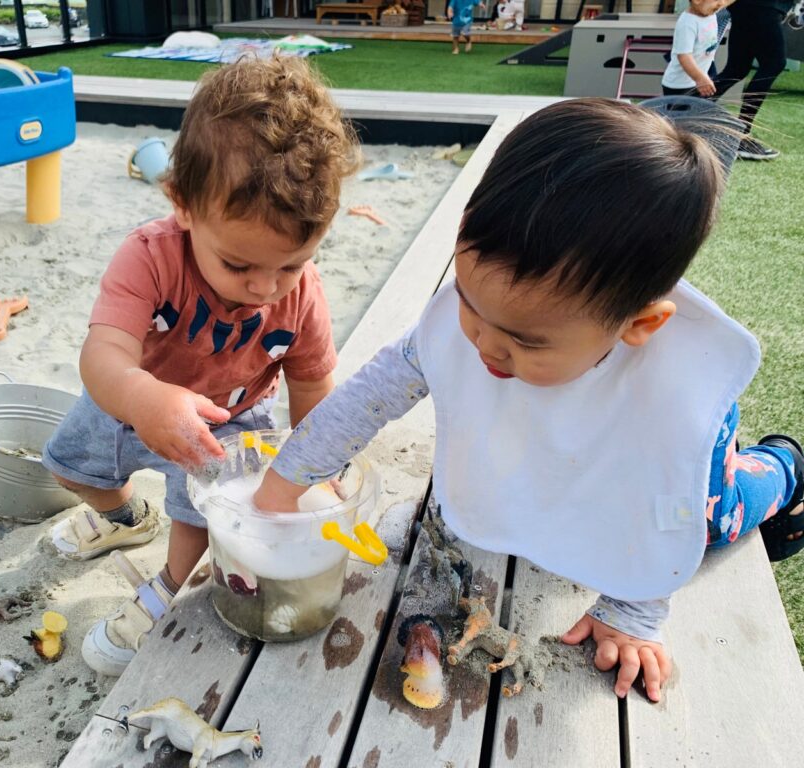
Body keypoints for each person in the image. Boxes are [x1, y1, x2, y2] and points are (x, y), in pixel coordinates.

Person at [254, 99, 804, 703]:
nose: (484, 344)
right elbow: (368, 398)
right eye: (468, 303)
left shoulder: (666, 398)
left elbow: (663, 510)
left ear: (638, 325)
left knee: (715, 520)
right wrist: (287, 481)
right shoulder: (488, 319)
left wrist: (632, 613)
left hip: (679, 474)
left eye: (525, 341)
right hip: (567, 443)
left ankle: (784, 468)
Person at [42, 56, 361, 675]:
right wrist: (141, 397)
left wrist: (317, 463)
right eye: (238, 264)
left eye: (291, 264)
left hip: (229, 421)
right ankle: (124, 518)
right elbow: (103, 353)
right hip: (130, 400)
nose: (265, 287)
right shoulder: (149, 257)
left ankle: (165, 587)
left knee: (202, 514)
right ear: (182, 203)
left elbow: (312, 382)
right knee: (70, 471)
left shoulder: (302, 294)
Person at [712, 0, 793, 159]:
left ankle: (682, 109)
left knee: (736, 69)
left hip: (743, 7)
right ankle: (742, 135)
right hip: (765, 7)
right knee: (773, 64)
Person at [662, 0, 728, 97]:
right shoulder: (688, 23)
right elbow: (684, 56)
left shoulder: (710, 11)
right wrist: (700, 79)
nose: (721, 3)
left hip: (698, 80)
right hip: (680, 86)